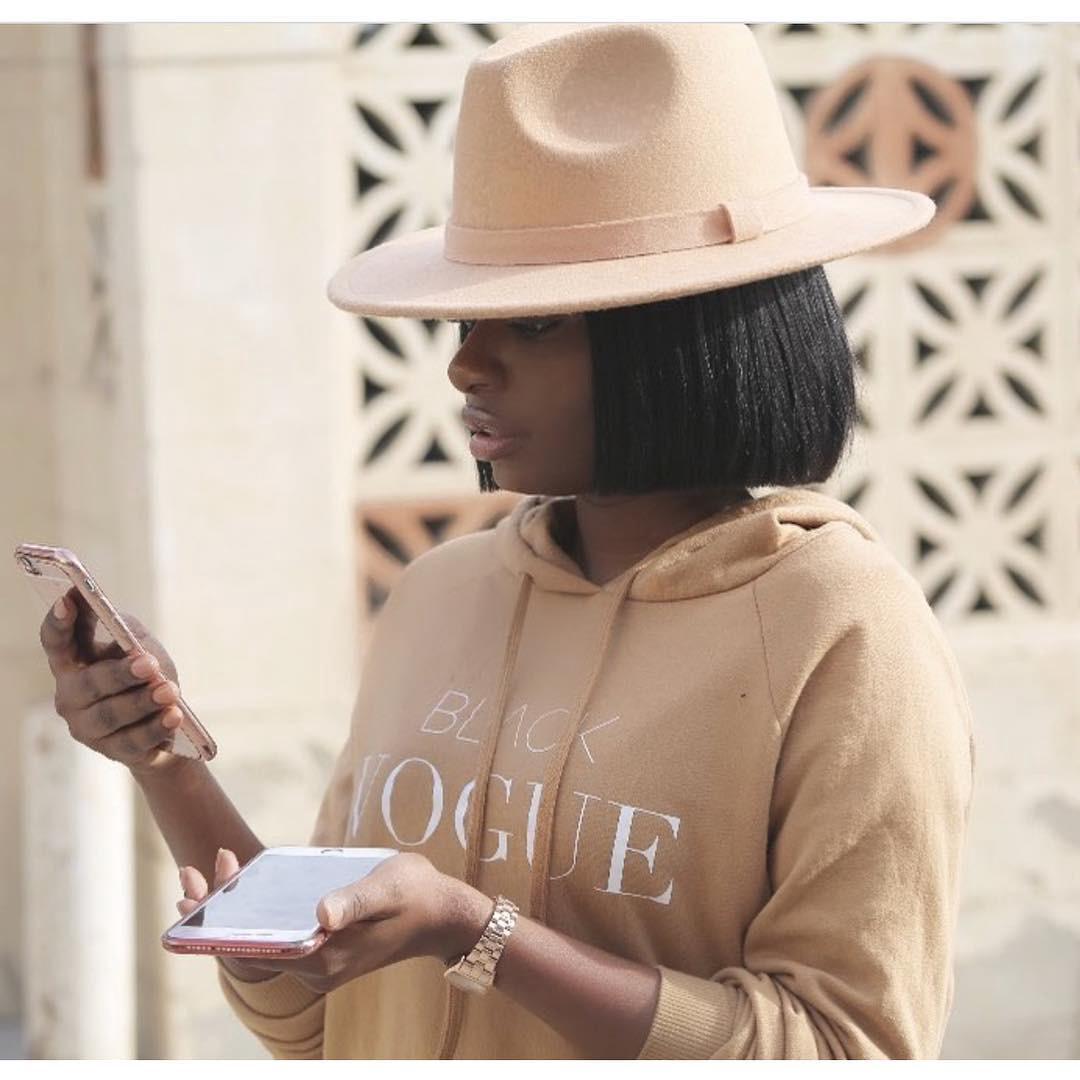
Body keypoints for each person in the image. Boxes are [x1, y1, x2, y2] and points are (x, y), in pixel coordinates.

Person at [39, 23, 975, 1060]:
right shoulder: (440, 595)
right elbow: (323, 1024)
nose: (464, 367)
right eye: (467, 320)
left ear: (682, 338)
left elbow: (846, 1047)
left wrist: (477, 933)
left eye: (533, 325)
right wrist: (162, 757)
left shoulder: (844, 628)